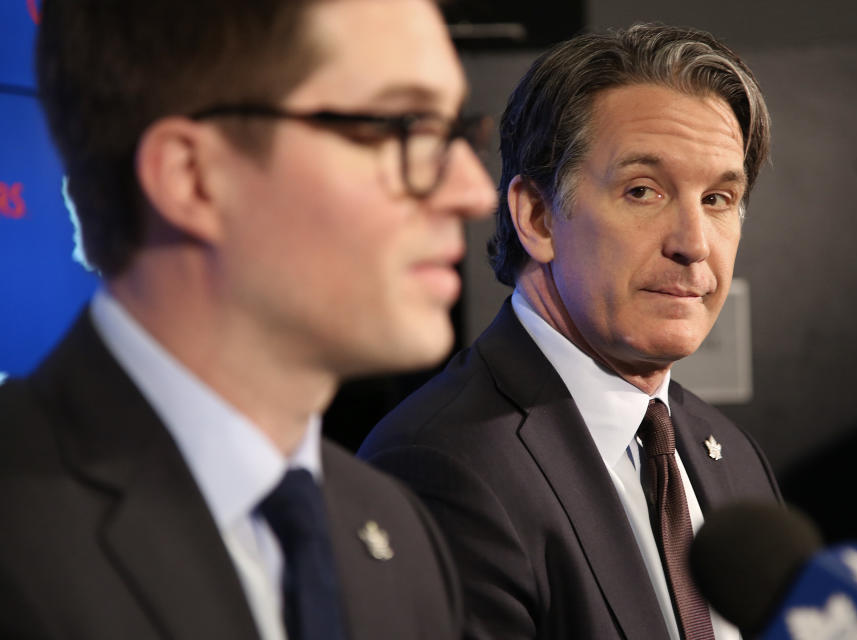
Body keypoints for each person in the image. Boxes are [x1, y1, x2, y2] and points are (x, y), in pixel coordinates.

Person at [0, 0, 496, 638]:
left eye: (455, 130)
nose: (473, 191)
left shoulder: (395, 529)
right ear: (194, 177)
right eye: (401, 127)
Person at [360, 23, 782, 640]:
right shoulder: (442, 463)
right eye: (644, 191)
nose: (694, 245)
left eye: (718, 199)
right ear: (536, 216)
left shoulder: (733, 456)